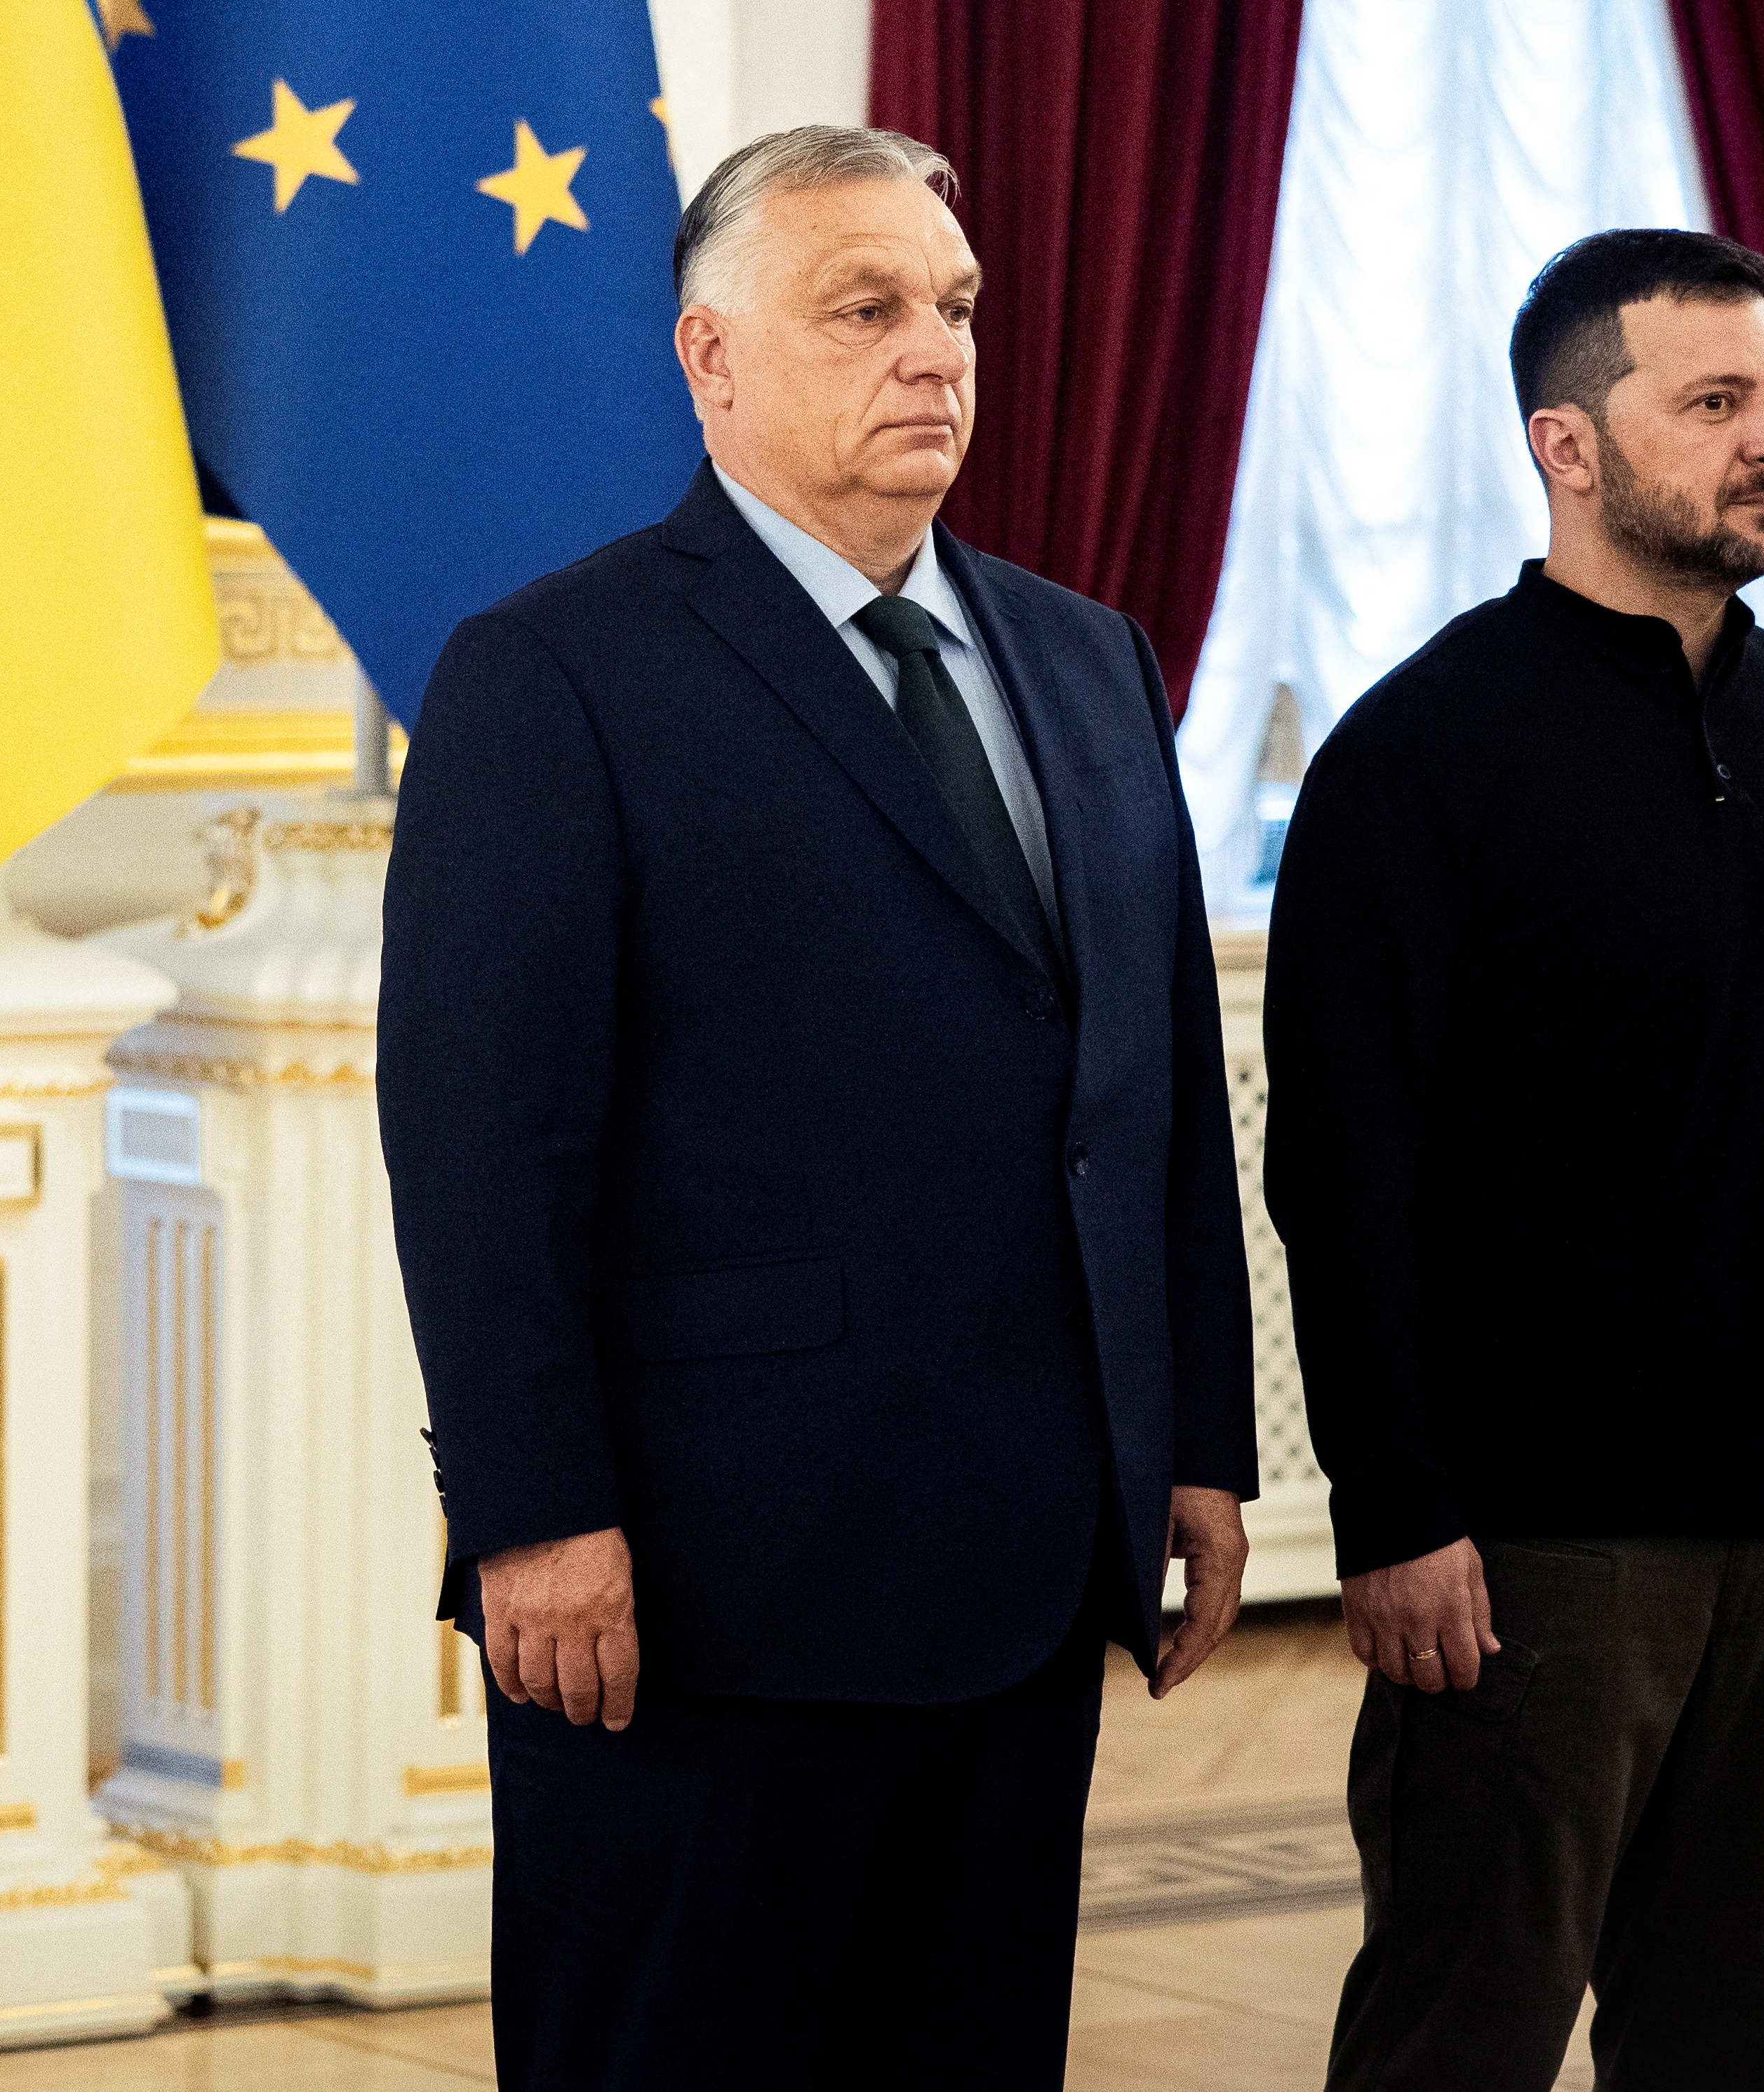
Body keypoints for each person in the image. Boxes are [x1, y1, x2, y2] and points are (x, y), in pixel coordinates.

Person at [380, 124, 1258, 2090]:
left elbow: (1155, 1091)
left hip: (1028, 1570)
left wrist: (1196, 1436)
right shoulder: (555, 675)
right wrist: (534, 1514)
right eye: (862, 309)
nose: (931, 353)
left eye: (952, 307)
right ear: (710, 358)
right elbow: (479, 1148)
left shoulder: (1087, 657)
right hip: (707, 1592)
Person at [1266, 227, 1764, 2092]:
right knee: (1459, 2040)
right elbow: (1340, 1167)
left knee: (1736, 2046)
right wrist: (1395, 1509)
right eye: (1716, 401)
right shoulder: (1424, 752)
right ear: (1568, 446)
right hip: (1531, 1552)